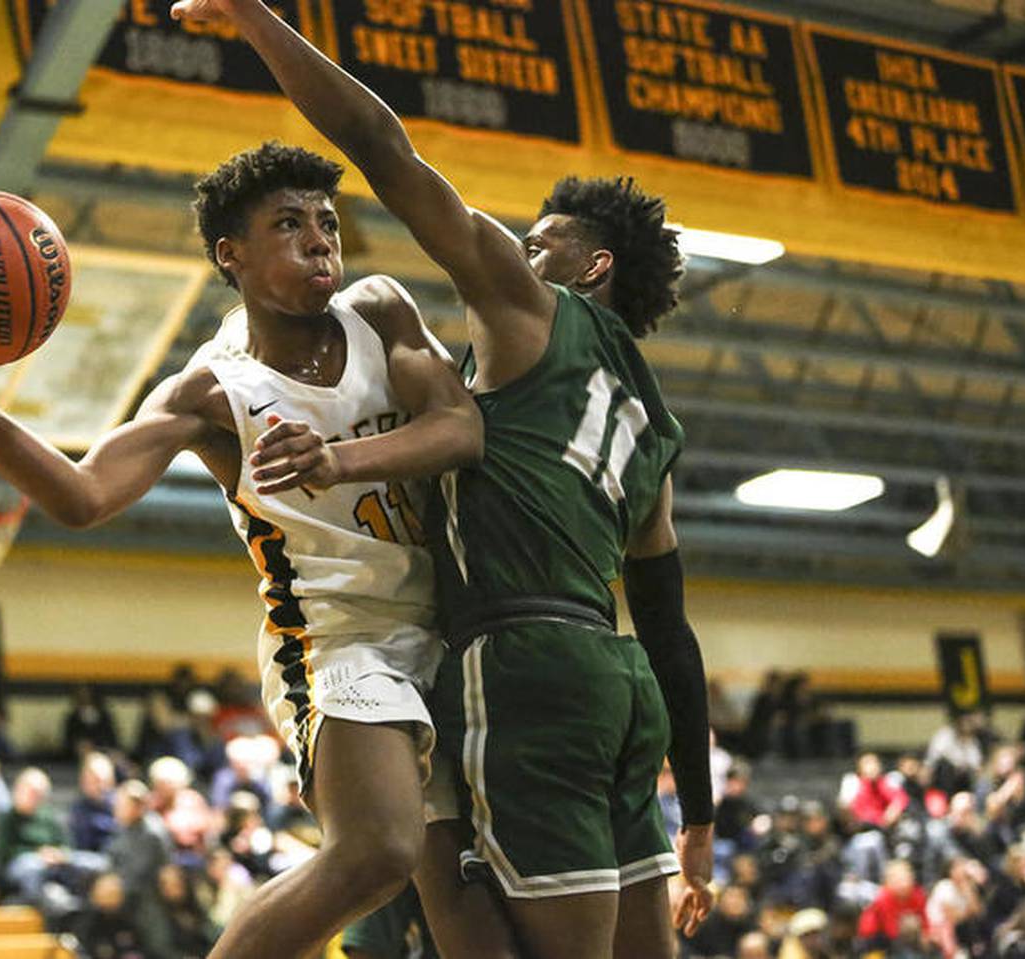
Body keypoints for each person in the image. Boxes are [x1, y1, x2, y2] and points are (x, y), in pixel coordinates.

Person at [172, 2, 715, 956]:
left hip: (517, 664)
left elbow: (380, 145)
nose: (519, 247)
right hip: (625, 684)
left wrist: (258, 19)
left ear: (590, 267)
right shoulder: (653, 428)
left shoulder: (532, 309)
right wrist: (700, 813)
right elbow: (669, 627)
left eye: (541, 240)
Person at [0, 137, 482, 958]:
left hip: (449, 631)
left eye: (327, 221)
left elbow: (461, 427)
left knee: (469, 911)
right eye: (289, 224)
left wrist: (339, 458)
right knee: (377, 849)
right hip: (335, 641)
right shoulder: (215, 390)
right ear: (230, 255)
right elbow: (82, 495)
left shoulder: (379, 311)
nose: (320, 239)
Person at [0, 768, 108, 914]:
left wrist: (59, 854)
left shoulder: (48, 815)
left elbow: (66, 843)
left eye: (40, 794)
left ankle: (82, 905)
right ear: (19, 789)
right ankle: (41, 906)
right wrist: (38, 853)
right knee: (32, 866)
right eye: (33, 792)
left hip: (52, 860)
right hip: (22, 863)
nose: (36, 797)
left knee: (94, 862)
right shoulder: (7, 818)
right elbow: (5, 852)